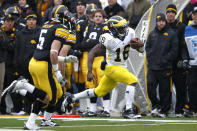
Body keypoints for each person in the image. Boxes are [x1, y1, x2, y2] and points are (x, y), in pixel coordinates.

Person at [2, 5, 78, 130]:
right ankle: (24, 87)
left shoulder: (48, 24)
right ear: (61, 16)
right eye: (66, 15)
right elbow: (53, 52)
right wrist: (57, 71)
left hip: (35, 62)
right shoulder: (60, 28)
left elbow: (48, 51)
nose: (69, 17)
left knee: (58, 92)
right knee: (49, 98)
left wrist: (64, 59)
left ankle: (45, 120)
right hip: (43, 65)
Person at [64, 16, 143, 119]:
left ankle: (72, 97)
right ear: (113, 29)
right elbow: (92, 52)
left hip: (122, 67)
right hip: (111, 67)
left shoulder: (130, 32)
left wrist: (140, 46)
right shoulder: (108, 38)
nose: (124, 30)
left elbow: (141, 50)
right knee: (132, 80)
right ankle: (128, 110)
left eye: (124, 27)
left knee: (99, 91)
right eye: (120, 28)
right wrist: (89, 70)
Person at [145, 13, 178, 118]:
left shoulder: (171, 34)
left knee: (164, 90)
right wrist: (150, 58)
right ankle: (156, 106)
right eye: (159, 21)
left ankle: (164, 110)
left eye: (163, 21)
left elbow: (174, 50)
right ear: (156, 22)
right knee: (150, 88)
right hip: (152, 67)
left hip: (165, 67)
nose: (161, 23)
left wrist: (165, 60)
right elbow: (147, 47)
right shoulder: (152, 34)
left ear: (165, 21)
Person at [165, 4, 188, 117]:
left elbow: (184, 45)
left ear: (175, 14)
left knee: (180, 87)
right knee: (165, 88)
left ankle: (179, 110)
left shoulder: (182, 26)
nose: (170, 14)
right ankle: (166, 109)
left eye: (172, 12)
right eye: (168, 12)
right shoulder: (162, 26)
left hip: (177, 62)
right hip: (166, 62)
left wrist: (184, 59)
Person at [0, 12, 16, 110]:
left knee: (3, 87)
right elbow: (7, 45)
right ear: (4, 22)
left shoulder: (15, 32)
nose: (9, 23)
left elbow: (11, 47)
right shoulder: (2, 31)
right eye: (7, 21)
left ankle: (4, 108)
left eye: (11, 21)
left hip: (7, 63)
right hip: (2, 60)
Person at [184, 6, 197, 115]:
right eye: (194, 14)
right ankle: (193, 109)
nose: (196, 16)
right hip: (193, 63)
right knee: (192, 86)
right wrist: (185, 59)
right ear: (191, 15)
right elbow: (184, 46)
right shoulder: (187, 29)